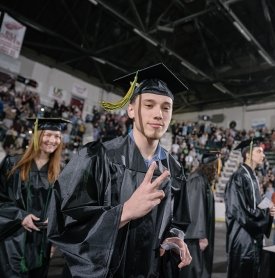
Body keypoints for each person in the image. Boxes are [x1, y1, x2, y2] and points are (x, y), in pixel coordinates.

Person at [47, 63, 192, 277]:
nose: (159, 114)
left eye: (166, 107)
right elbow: (67, 221)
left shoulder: (175, 170)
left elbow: (177, 221)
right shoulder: (96, 157)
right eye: (149, 105)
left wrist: (173, 237)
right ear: (131, 110)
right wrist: (124, 212)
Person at [0, 118, 70, 278]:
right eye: (48, 134)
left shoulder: (62, 171)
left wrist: (54, 234)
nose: (53, 140)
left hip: (41, 244)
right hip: (13, 239)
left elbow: (64, 207)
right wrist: (21, 216)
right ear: (38, 135)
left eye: (57, 136)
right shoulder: (13, 164)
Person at [224, 137, 275, 278]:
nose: (263, 155)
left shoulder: (252, 177)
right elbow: (239, 211)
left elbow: (255, 207)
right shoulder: (238, 177)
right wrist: (265, 213)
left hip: (252, 238)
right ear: (248, 154)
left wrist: (269, 211)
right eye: (259, 151)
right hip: (242, 239)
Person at [180, 151, 220, 278]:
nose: (218, 169)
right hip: (194, 239)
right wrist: (201, 236)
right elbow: (194, 209)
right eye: (216, 166)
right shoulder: (197, 180)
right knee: (195, 271)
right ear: (211, 166)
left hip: (196, 238)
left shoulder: (202, 179)